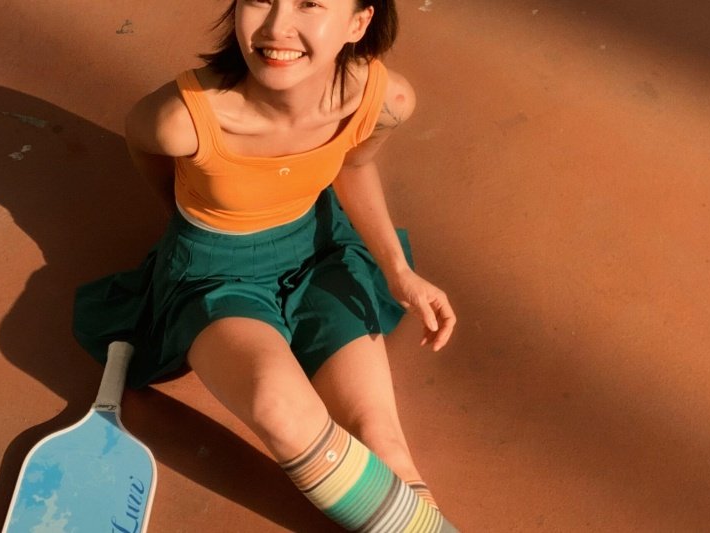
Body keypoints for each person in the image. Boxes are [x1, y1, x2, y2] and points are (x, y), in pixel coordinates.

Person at [73, 0, 458, 530]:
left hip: (322, 250)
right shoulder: (180, 119)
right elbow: (149, 155)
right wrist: (188, 223)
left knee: (385, 445)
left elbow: (355, 166)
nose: (278, 28)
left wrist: (398, 270)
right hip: (212, 273)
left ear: (359, 21)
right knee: (282, 412)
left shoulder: (384, 99)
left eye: (309, 4)